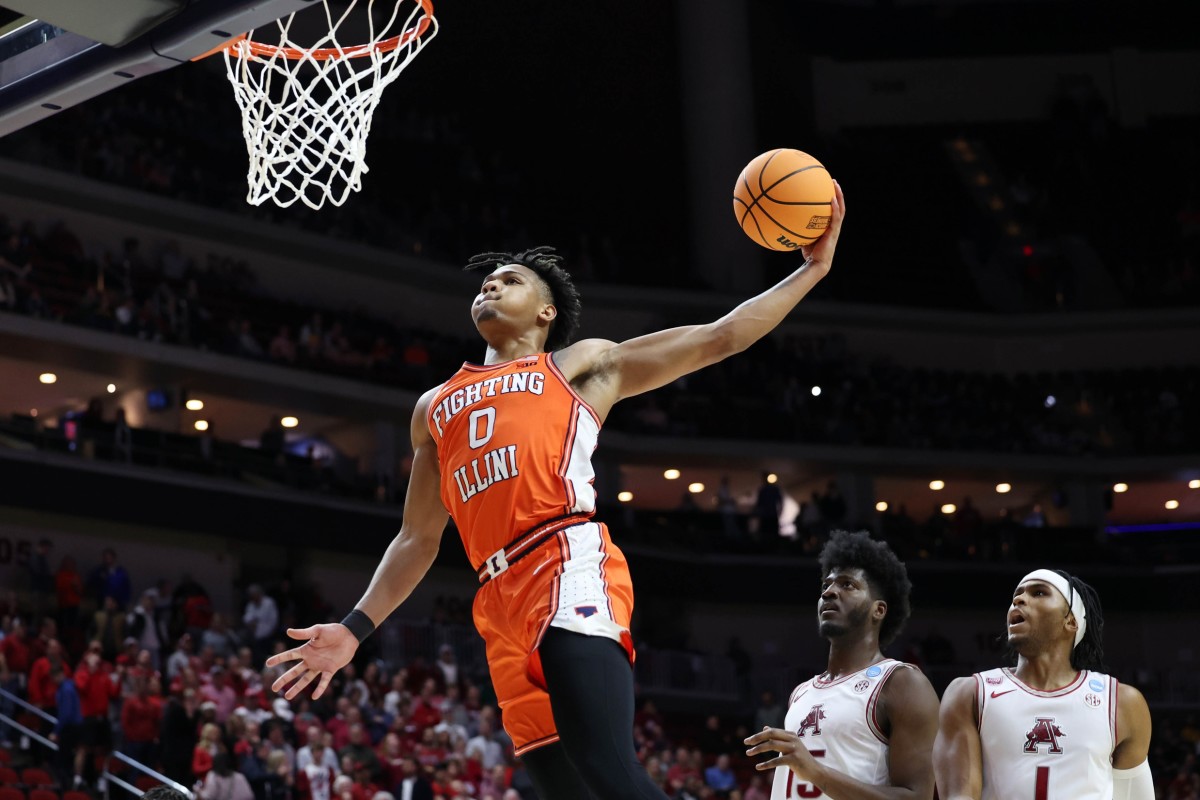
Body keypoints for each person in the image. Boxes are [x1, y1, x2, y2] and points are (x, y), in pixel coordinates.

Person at [268, 185, 846, 800]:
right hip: (496, 602)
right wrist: (356, 629)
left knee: (608, 771)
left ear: (545, 312)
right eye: (485, 281)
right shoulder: (432, 407)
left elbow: (719, 337)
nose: (490, 285)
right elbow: (417, 536)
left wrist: (811, 270)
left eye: (510, 280)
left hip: (565, 562)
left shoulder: (579, 366)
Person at [745, 530, 940, 800]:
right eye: (826, 585)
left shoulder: (901, 683)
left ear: (878, 610)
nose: (829, 592)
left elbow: (917, 797)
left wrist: (816, 773)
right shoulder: (802, 692)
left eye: (847, 585)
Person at [934, 569, 1153, 800]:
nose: (1018, 600)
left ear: (1071, 621)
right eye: (1016, 596)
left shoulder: (1122, 703)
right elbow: (959, 796)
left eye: (1038, 592)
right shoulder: (970, 693)